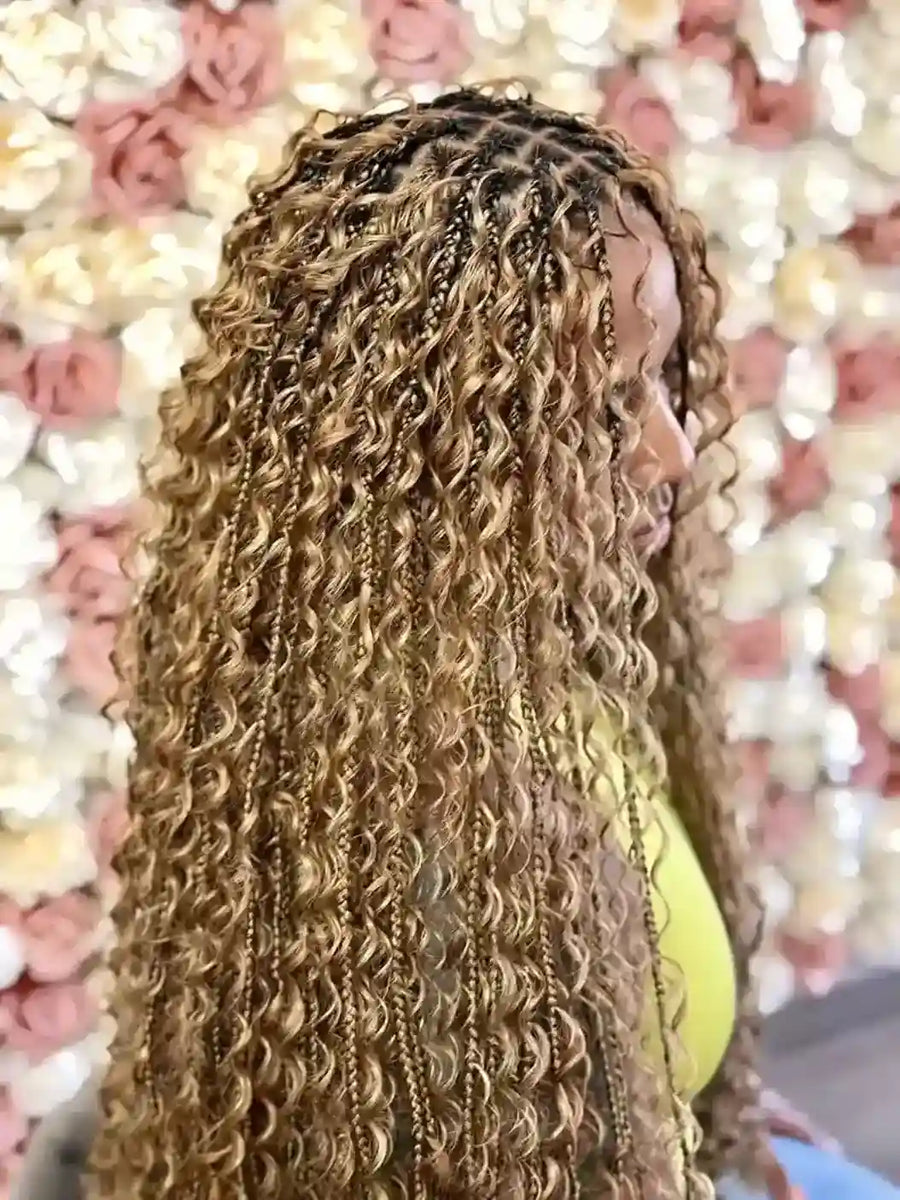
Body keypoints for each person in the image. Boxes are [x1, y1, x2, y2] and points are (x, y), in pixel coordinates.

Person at [85, 88, 899, 1200]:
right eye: (610, 408)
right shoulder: (399, 851)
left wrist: (700, 1111)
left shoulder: (524, 652)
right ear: (430, 454)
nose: (673, 448)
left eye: (668, 375)